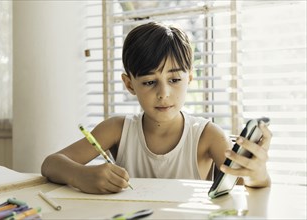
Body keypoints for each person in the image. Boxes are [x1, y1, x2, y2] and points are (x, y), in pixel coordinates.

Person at [41, 22, 272, 194]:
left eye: (174, 80)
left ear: (190, 77)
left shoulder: (207, 136)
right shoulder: (117, 129)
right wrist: (81, 175)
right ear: (129, 84)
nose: (163, 93)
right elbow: (50, 163)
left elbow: (246, 188)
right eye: (149, 82)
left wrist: (258, 174)